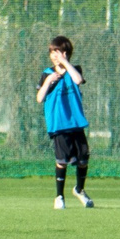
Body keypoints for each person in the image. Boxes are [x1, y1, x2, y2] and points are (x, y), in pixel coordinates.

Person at [39, 35, 94, 209]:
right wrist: (49, 81)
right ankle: (59, 197)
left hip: (76, 122)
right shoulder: (47, 74)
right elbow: (39, 98)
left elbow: (78, 80)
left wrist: (66, 64)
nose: (55, 55)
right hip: (58, 124)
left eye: (58, 52)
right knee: (62, 160)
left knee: (83, 159)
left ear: (66, 53)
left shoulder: (74, 69)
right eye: (52, 52)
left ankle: (79, 189)